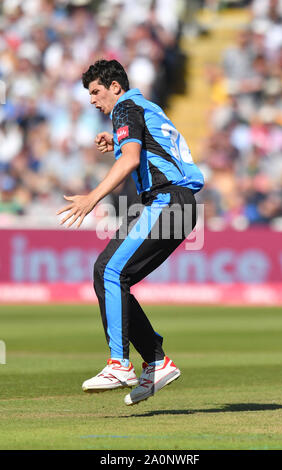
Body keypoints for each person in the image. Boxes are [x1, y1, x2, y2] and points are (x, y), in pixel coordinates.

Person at [57, 59, 204, 405]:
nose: (92, 100)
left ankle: (120, 364)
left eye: (95, 92)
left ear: (115, 87)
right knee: (112, 275)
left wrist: (92, 198)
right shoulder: (143, 106)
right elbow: (153, 147)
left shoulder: (124, 107)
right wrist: (120, 142)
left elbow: (132, 161)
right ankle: (155, 362)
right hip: (181, 205)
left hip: (167, 201)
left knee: (108, 270)